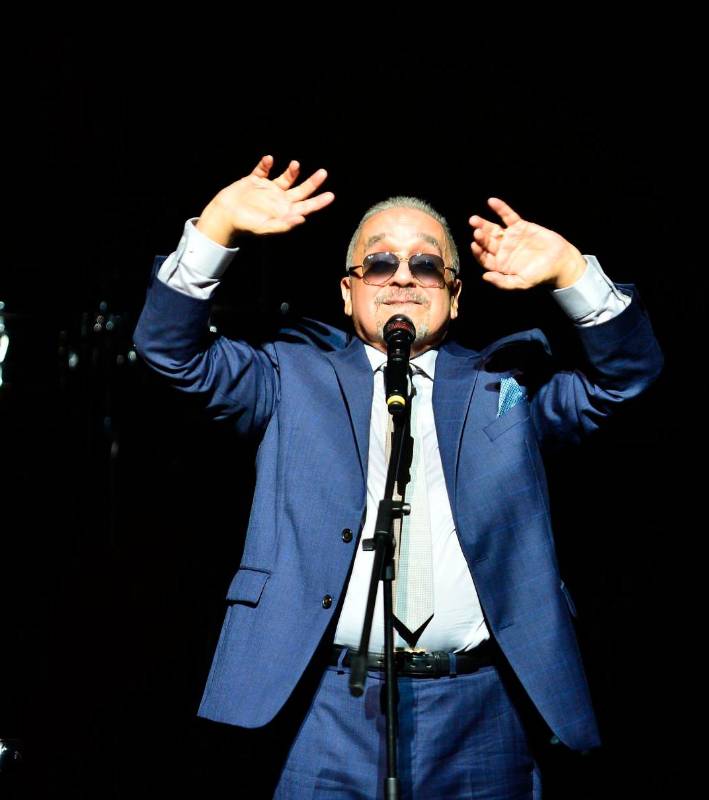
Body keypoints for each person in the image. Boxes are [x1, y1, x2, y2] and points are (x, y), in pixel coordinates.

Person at [133, 154, 664, 798]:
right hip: (326, 706)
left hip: (484, 707)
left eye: (427, 264)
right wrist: (215, 228)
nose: (403, 278)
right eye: (380, 263)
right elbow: (170, 352)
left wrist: (574, 274)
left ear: (456, 293)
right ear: (348, 289)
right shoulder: (289, 377)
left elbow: (627, 378)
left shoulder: (510, 383)